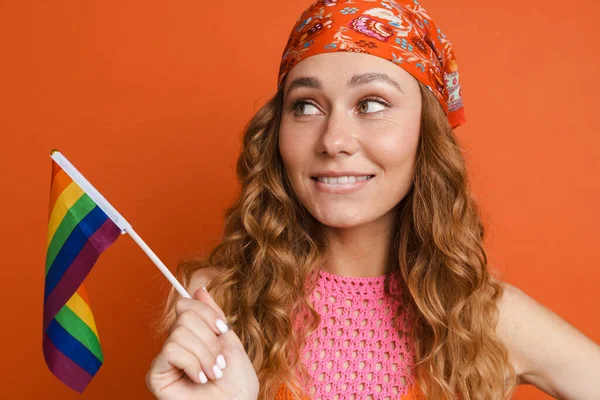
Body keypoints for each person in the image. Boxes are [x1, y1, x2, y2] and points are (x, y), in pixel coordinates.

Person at [146, 0, 600, 399]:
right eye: (306, 105)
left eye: (372, 104)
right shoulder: (218, 303)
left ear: (427, 133)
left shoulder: (484, 317)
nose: (334, 141)